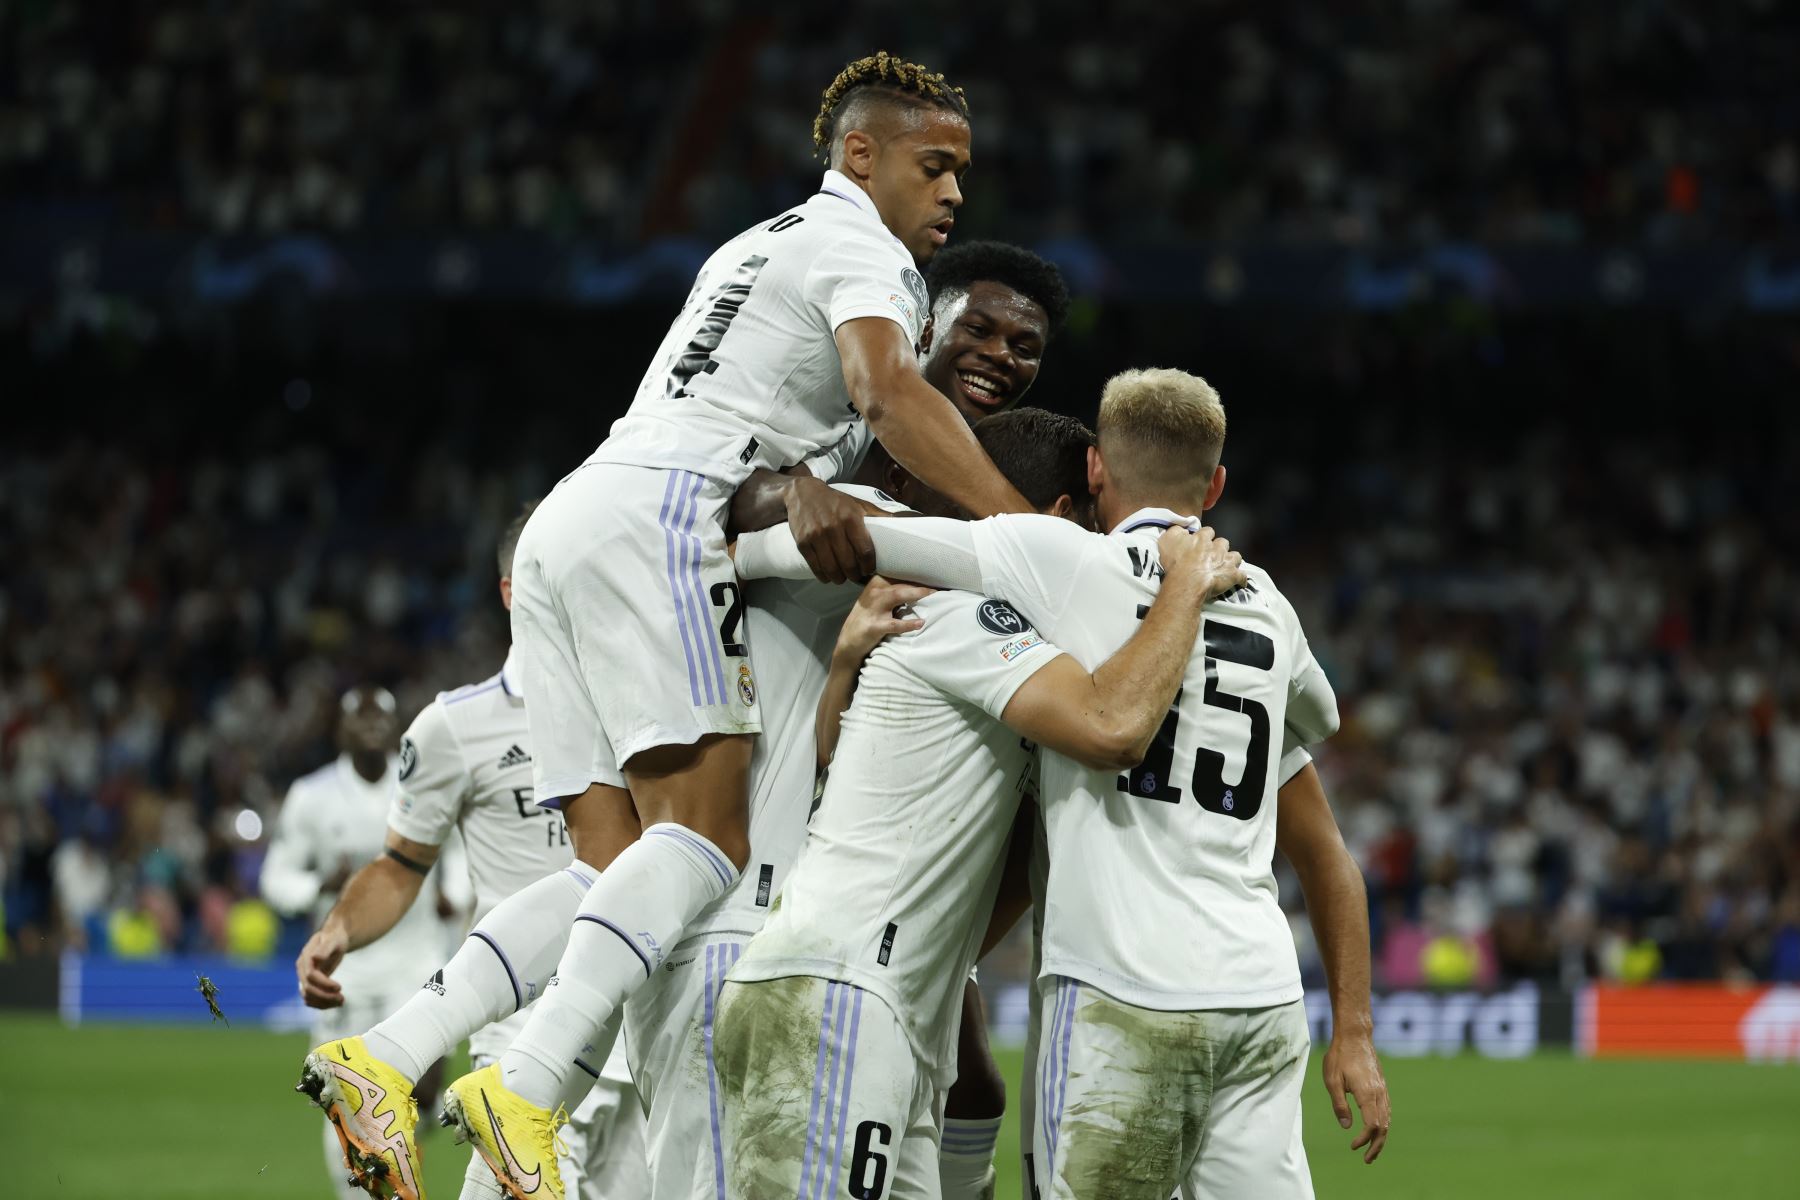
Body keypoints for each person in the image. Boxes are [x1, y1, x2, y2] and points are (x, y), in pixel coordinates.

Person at [427, 50, 1056, 1198]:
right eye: (936, 165)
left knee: (621, 868)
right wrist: (1034, 541)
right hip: (668, 526)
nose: (955, 193)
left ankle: (420, 1057)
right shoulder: (866, 258)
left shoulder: (748, 246)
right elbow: (880, 394)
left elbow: (773, 438)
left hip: (579, 513)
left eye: (964, 171)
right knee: (708, 838)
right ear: (859, 155)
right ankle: (520, 1081)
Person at [735, 368, 1390, 1198]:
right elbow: (1319, 757)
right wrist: (1356, 1030)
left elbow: (866, 540)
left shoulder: (1057, 558)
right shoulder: (1273, 609)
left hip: (1122, 985)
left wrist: (745, 537)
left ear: (1093, 474)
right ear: (1216, 486)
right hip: (1261, 996)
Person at [291, 506, 647, 1200]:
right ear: (515, 590)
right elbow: (400, 867)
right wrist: (337, 929)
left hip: (640, 1036)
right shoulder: (454, 727)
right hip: (520, 1039)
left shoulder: (642, 706)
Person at [262, 685, 450, 1200]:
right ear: (339, 729)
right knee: (342, 1101)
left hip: (417, 963)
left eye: (380, 717)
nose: (370, 725)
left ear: (396, 727)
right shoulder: (312, 794)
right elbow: (276, 875)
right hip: (345, 974)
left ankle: (406, 1146)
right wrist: (316, 888)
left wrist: (454, 892)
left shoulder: (425, 780)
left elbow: (454, 851)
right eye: (359, 717)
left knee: (419, 1094)